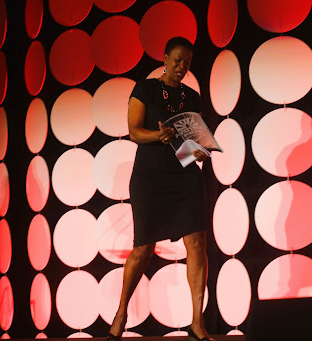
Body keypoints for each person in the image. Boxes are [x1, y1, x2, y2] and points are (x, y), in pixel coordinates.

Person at [107, 37, 215, 341]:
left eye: (187, 63)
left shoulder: (192, 96)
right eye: (177, 60)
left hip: (184, 177)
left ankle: (197, 322)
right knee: (143, 248)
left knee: (196, 243)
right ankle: (121, 313)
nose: (182, 67)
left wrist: (202, 149)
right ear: (165, 59)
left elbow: (194, 146)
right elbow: (134, 132)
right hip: (150, 176)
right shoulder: (146, 88)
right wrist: (159, 135)